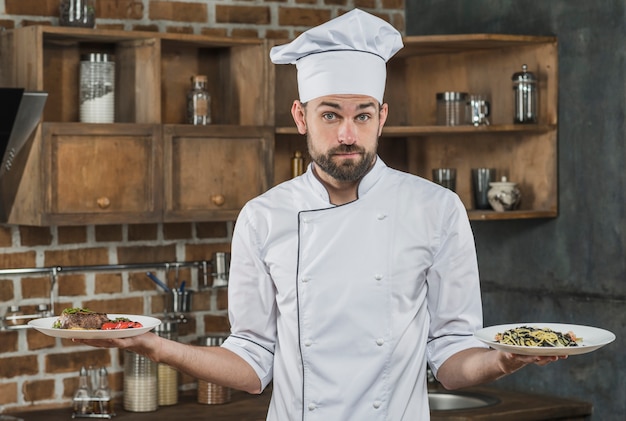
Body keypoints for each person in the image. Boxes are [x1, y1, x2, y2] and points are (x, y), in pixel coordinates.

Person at [80, 9, 563, 420]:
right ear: (300, 117)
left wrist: (502, 360)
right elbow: (252, 364)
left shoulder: (435, 209)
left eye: (363, 115)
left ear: (382, 117)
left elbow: (451, 353)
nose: (348, 134)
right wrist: (154, 347)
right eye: (330, 114)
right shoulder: (263, 217)